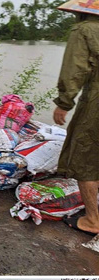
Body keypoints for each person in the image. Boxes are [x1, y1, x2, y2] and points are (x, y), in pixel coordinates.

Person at [53, 1, 99, 236]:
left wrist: (64, 102)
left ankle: (92, 220)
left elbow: (75, 69)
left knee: (86, 158)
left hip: (96, 102)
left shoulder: (84, 30)